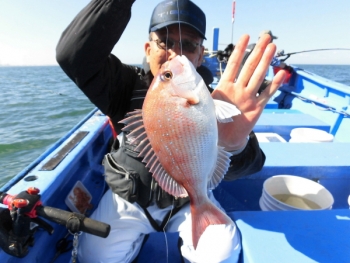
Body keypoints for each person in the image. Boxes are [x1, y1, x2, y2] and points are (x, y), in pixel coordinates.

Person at [56, 0, 286, 262]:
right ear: (148, 48)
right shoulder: (122, 87)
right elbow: (73, 56)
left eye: (188, 44)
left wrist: (236, 144)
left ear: (201, 55)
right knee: (94, 256)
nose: (176, 53)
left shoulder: (219, 100)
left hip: (188, 202)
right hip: (127, 201)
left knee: (221, 254)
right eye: (165, 41)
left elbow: (252, 165)